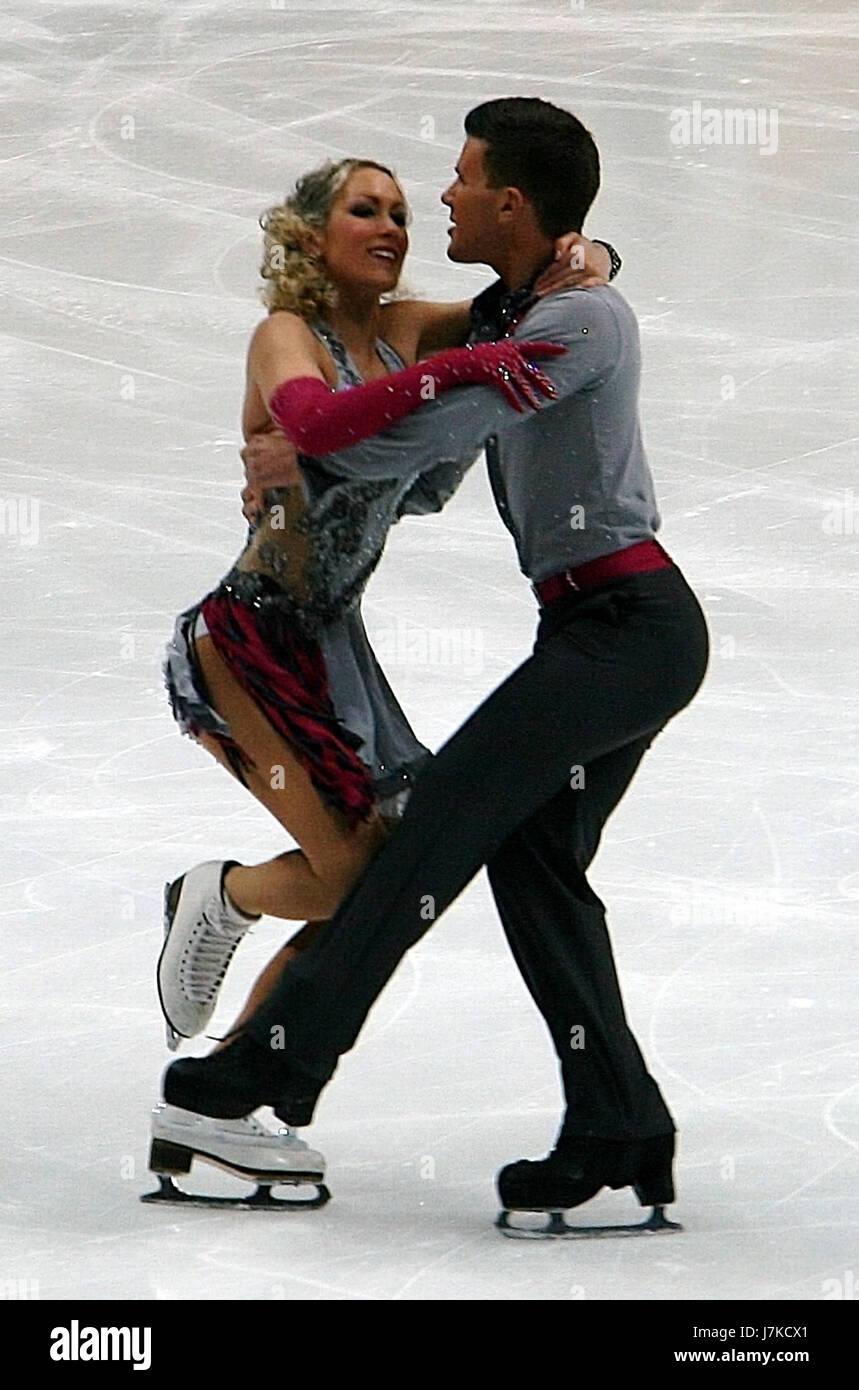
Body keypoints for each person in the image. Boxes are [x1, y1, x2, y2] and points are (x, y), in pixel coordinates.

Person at [149, 149, 615, 1193]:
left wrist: (594, 251)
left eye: (402, 211)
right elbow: (315, 423)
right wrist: (452, 372)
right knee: (358, 875)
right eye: (366, 209)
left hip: (334, 650)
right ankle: (219, 895)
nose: (393, 225)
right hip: (253, 640)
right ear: (315, 235)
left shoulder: (400, 330)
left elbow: (521, 307)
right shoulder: (285, 335)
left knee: (369, 876)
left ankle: (238, 1089)